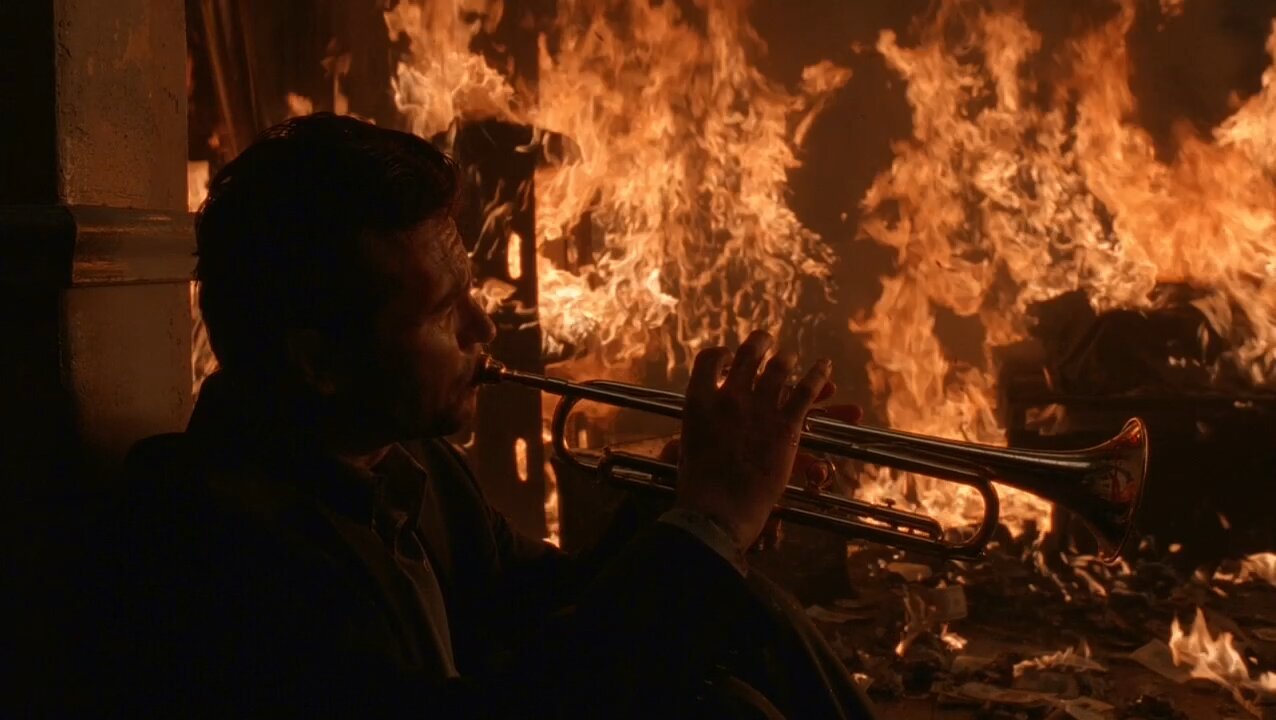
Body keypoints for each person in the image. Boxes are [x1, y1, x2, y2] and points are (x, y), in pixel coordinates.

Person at [90, 113, 877, 718]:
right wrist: (710, 523)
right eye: (442, 312)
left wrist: (677, 502)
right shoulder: (212, 537)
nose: (484, 327)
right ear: (318, 362)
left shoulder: (409, 463)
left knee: (744, 625)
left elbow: (548, 608)